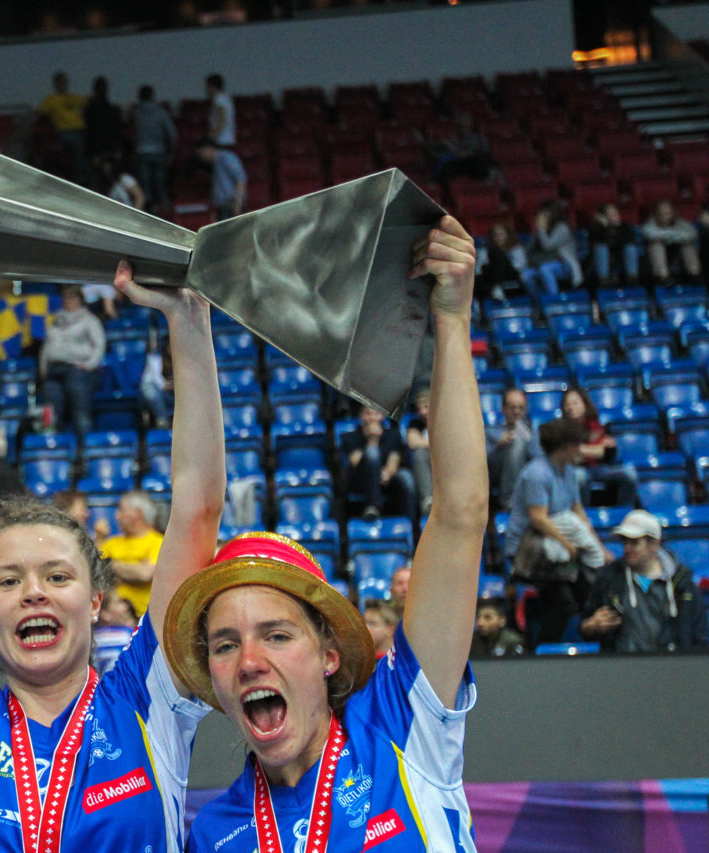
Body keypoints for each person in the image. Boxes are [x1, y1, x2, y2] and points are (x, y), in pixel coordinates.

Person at [0, 245, 225, 851]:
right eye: (8, 581)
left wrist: (189, 327)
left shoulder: (148, 702)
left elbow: (196, 510)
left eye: (56, 577)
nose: (33, 591)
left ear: (96, 600)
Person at [172, 215, 487, 853]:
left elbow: (460, 512)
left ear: (329, 655)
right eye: (226, 645)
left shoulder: (403, 728)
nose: (250, 661)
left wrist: (451, 320)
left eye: (277, 634)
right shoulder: (214, 833)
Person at [505, 417, 609, 645]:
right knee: (565, 603)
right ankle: (540, 652)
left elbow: (578, 511)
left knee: (590, 589)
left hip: (559, 548)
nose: (581, 449)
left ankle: (591, 644)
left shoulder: (569, 471)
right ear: (564, 447)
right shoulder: (537, 473)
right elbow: (538, 519)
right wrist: (568, 544)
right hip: (528, 552)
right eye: (577, 444)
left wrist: (600, 547)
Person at [578, 510, 708, 653]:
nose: (627, 548)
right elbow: (585, 628)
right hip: (621, 669)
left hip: (673, 669)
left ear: (654, 544)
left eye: (634, 542)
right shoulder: (608, 578)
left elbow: (700, 635)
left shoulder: (683, 583)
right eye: (625, 541)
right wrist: (592, 625)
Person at [39, 285, 105, 440]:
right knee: (51, 414)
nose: (68, 301)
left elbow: (99, 345)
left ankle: (84, 451)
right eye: (66, 298)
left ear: (79, 300)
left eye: (72, 298)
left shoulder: (89, 320)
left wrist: (89, 365)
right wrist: (43, 368)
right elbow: (46, 346)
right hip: (54, 371)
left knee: (80, 412)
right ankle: (56, 449)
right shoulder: (56, 320)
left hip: (77, 370)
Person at [560, 385, 638, 508]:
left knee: (629, 473)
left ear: (585, 405)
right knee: (579, 476)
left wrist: (583, 450)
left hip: (600, 468)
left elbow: (609, 452)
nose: (570, 407)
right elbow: (570, 455)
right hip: (576, 470)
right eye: (567, 404)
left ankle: (623, 513)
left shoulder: (598, 426)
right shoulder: (561, 429)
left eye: (575, 403)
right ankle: (582, 515)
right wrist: (596, 449)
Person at [340, 404, 413, 521]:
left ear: (383, 416)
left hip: (387, 479)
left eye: (376, 414)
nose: (372, 418)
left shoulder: (393, 434)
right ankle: (373, 506)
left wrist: (388, 472)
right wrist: (372, 440)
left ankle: (412, 523)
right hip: (361, 479)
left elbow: (394, 459)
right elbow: (356, 461)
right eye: (368, 414)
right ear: (361, 416)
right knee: (372, 452)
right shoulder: (350, 437)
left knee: (406, 477)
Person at [98, 490, 164, 617]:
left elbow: (145, 574)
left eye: (121, 510)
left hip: (145, 618)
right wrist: (100, 540)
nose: (117, 516)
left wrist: (110, 565)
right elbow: (96, 571)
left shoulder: (158, 542)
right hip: (112, 617)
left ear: (137, 514)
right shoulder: (112, 543)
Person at [486, 386, 539, 512]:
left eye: (520, 408)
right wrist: (498, 445)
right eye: (512, 407)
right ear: (503, 408)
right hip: (496, 473)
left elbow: (538, 457)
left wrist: (527, 441)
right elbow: (480, 461)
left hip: (525, 471)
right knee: (518, 443)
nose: (516, 411)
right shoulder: (491, 432)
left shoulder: (531, 433)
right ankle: (509, 502)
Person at [132, 85, 176, 216]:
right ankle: (168, 215)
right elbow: (172, 134)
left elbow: (133, 133)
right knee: (160, 186)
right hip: (159, 153)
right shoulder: (161, 112)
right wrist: (172, 152)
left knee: (146, 189)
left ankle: (150, 216)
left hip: (142, 153)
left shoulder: (136, 113)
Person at [38, 71, 88, 184]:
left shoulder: (74, 97)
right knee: (78, 144)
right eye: (61, 82)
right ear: (55, 84)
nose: (64, 84)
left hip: (81, 131)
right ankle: (80, 179)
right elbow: (40, 113)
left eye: (65, 82)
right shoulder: (50, 100)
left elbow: (88, 103)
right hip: (64, 132)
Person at [528, 200, 584, 293]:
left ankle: (553, 300)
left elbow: (548, 246)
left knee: (545, 269)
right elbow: (529, 250)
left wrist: (541, 229)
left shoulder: (562, 228)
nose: (541, 217)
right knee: (526, 275)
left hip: (566, 265)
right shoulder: (542, 229)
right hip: (545, 262)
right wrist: (538, 232)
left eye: (544, 214)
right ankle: (538, 303)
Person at [642, 199, 701, 283]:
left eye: (667, 212)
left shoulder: (680, 223)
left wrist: (667, 237)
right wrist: (676, 235)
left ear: (672, 212)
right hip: (656, 258)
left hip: (677, 255)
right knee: (656, 244)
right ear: (657, 213)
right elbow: (649, 234)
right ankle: (664, 277)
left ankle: (694, 274)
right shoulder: (651, 223)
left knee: (688, 245)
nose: (665, 215)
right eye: (662, 212)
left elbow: (693, 234)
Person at [588, 202, 640, 286]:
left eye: (616, 213)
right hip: (600, 260)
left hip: (620, 258)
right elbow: (597, 244)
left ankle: (632, 279)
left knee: (630, 248)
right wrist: (606, 228)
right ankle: (603, 281)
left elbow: (628, 241)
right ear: (603, 217)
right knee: (601, 249)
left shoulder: (624, 227)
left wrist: (615, 231)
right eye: (611, 215)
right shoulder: (596, 229)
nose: (615, 216)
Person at [196, 137, 247, 221]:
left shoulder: (226, 157)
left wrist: (238, 203)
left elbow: (240, 179)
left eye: (201, 153)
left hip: (232, 204)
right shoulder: (215, 163)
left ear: (207, 148)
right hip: (223, 206)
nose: (201, 157)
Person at [91, 589, 137, 674]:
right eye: (118, 603)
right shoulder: (133, 637)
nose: (126, 607)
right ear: (105, 615)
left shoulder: (87, 642)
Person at [205, 72, 235, 148]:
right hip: (226, 140)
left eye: (207, 86)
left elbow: (222, 118)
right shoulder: (225, 98)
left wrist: (212, 137)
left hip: (221, 141)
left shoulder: (219, 99)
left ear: (212, 87)